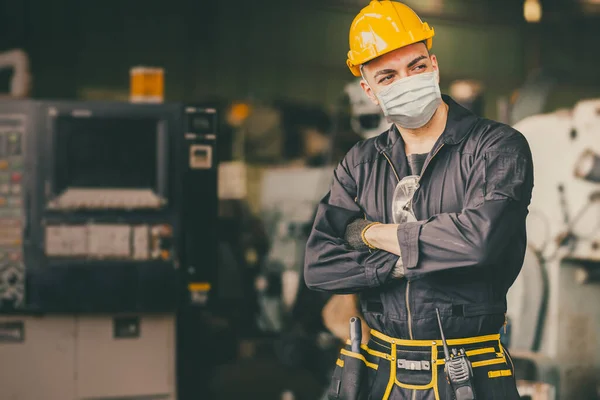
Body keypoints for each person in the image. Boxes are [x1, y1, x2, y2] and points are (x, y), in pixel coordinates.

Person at [304, 1, 534, 399]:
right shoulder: (360, 163)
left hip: (469, 369)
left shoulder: (497, 148)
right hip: (379, 371)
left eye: (416, 66)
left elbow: (478, 242)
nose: (407, 81)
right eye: (388, 75)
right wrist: (408, 263)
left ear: (434, 64)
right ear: (369, 90)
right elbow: (320, 266)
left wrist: (371, 234)